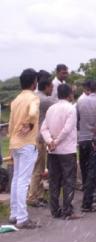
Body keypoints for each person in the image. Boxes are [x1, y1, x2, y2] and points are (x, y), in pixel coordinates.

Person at [41, 84, 81, 220]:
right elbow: (68, 129)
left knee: (54, 181)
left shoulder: (51, 109)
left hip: (52, 151)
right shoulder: (71, 109)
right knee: (68, 181)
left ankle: (55, 210)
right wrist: (56, 142)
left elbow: (43, 128)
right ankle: (67, 210)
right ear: (70, 94)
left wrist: (50, 141)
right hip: (67, 150)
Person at [8, 68, 40, 228]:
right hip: (27, 143)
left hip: (14, 143)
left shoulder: (15, 100)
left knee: (16, 180)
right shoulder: (33, 98)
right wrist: (30, 123)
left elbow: (11, 125)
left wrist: (10, 147)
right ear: (34, 82)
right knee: (23, 181)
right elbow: (33, 113)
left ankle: (14, 214)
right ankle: (22, 218)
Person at [27, 71, 54, 208]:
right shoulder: (45, 100)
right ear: (47, 87)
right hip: (40, 138)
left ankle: (37, 195)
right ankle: (32, 197)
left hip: (32, 137)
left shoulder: (34, 97)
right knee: (38, 169)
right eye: (51, 87)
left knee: (36, 168)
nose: (52, 90)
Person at [77, 80, 96, 212]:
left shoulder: (80, 101)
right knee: (93, 172)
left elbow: (77, 120)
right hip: (95, 141)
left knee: (84, 170)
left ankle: (86, 197)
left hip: (82, 139)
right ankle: (88, 201)